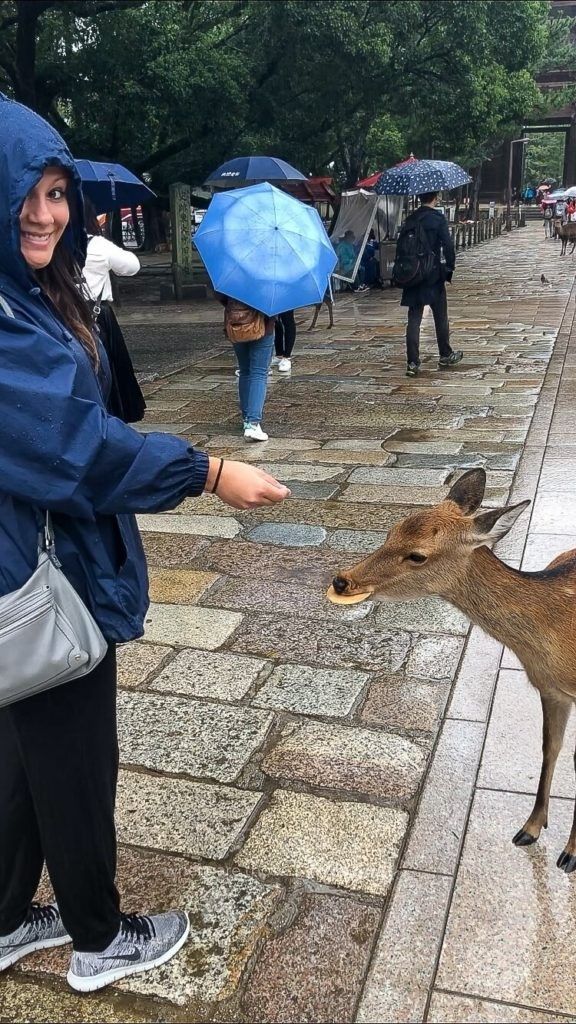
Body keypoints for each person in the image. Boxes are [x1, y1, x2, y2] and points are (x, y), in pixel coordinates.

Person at [0, 93, 289, 994]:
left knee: (24, 754)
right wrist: (206, 472)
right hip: (46, 575)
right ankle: (98, 936)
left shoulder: (27, 293)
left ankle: (6, 917)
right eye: (28, 196)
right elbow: (77, 451)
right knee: (76, 762)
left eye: (58, 194)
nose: (48, 214)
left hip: (25, 563)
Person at [82, 198, 145, 422]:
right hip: (97, 316)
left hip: (60, 313)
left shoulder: (53, 243)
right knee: (107, 372)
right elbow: (131, 266)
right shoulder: (97, 244)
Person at [399, 191, 462, 378]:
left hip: (412, 274)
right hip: (433, 274)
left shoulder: (410, 219)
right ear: (435, 197)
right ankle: (445, 354)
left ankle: (412, 361)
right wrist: (449, 267)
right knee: (440, 315)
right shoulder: (437, 218)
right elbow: (448, 246)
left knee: (414, 319)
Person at [218, 294, 275, 441]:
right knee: (259, 372)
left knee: (245, 370)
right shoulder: (269, 275)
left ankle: (246, 419)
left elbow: (220, 296)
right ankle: (253, 423)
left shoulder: (232, 274)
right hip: (262, 324)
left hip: (236, 323)